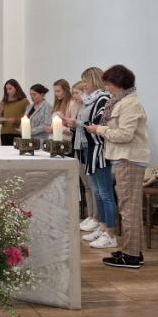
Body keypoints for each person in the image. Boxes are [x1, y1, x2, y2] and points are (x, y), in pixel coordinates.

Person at [88, 65, 150, 268]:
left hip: (129, 159)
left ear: (119, 83)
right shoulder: (122, 102)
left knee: (128, 209)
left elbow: (125, 135)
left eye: (108, 84)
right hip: (124, 158)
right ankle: (133, 251)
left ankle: (131, 256)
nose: (107, 88)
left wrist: (100, 129)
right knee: (128, 207)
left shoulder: (130, 104)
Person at [78, 67, 117, 249]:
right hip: (90, 148)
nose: (84, 84)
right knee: (99, 193)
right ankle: (102, 228)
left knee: (105, 194)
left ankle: (111, 233)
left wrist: (78, 124)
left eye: (86, 80)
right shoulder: (91, 100)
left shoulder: (103, 99)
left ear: (94, 80)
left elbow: (100, 124)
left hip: (100, 149)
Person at [65, 81, 99, 231]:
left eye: (77, 93)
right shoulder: (77, 106)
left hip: (88, 146)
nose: (75, 96)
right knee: (86, 186)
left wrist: (76, 124)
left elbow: (89, 126)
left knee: (93, 186)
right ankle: (90, 216)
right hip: (79, 146)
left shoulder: (90, 106)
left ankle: (95, 217)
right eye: (73, 93)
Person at [0, 79, 29, 145]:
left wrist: (15, 120)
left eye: (10, 89)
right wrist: (2, 119)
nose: (8, 91)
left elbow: (29, 118)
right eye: (6, 89)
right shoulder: (3, 102)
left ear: (16, 88)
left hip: (18, 132)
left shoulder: (24, 101)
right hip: (5, 133)